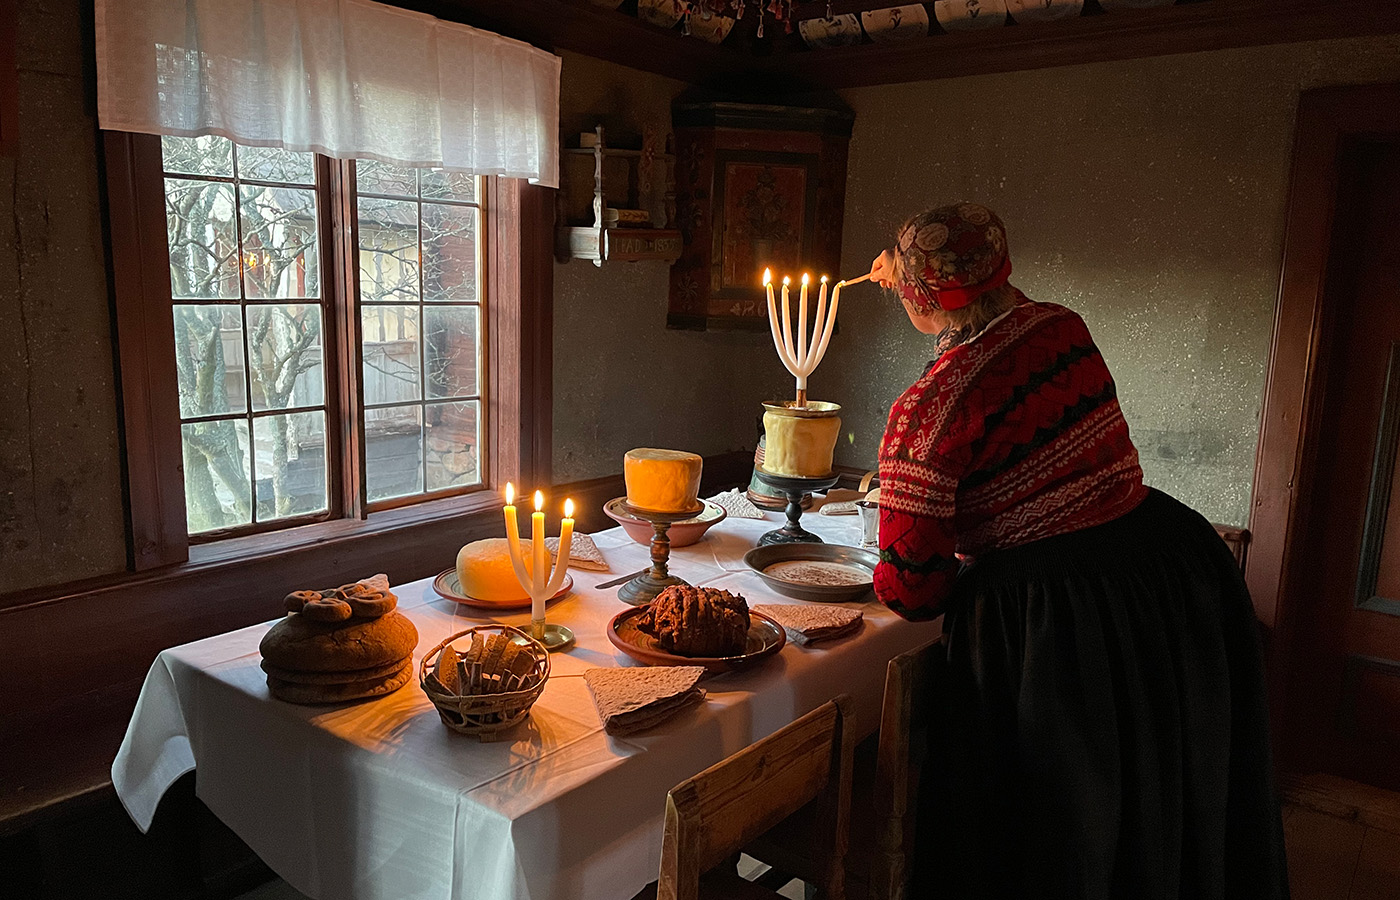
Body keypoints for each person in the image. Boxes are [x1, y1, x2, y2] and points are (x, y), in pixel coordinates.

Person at [867, 203, 1289, 900]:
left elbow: (913, 592)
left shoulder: (928, 411)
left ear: (919, 297)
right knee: (1160, 781)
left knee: (1064, 827)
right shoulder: (1060, 327)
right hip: (1165, 564)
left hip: (1057, 621)